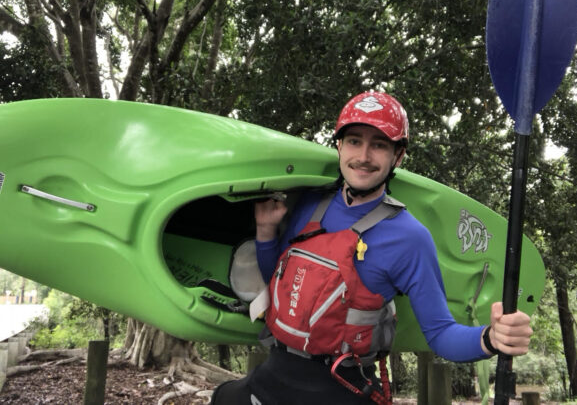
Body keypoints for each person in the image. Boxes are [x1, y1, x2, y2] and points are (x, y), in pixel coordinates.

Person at [211, 91, 533, 405]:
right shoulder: (307, 205)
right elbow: (278, 286)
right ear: (339, 146)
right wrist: (266, 231)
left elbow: (440, 334)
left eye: (378, 145)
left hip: (341, 386)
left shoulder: (409, 238)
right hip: (275, 372)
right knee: (222, 396)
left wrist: (491, 338)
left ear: (398, 156)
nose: (363, 157)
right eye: (354, 141)